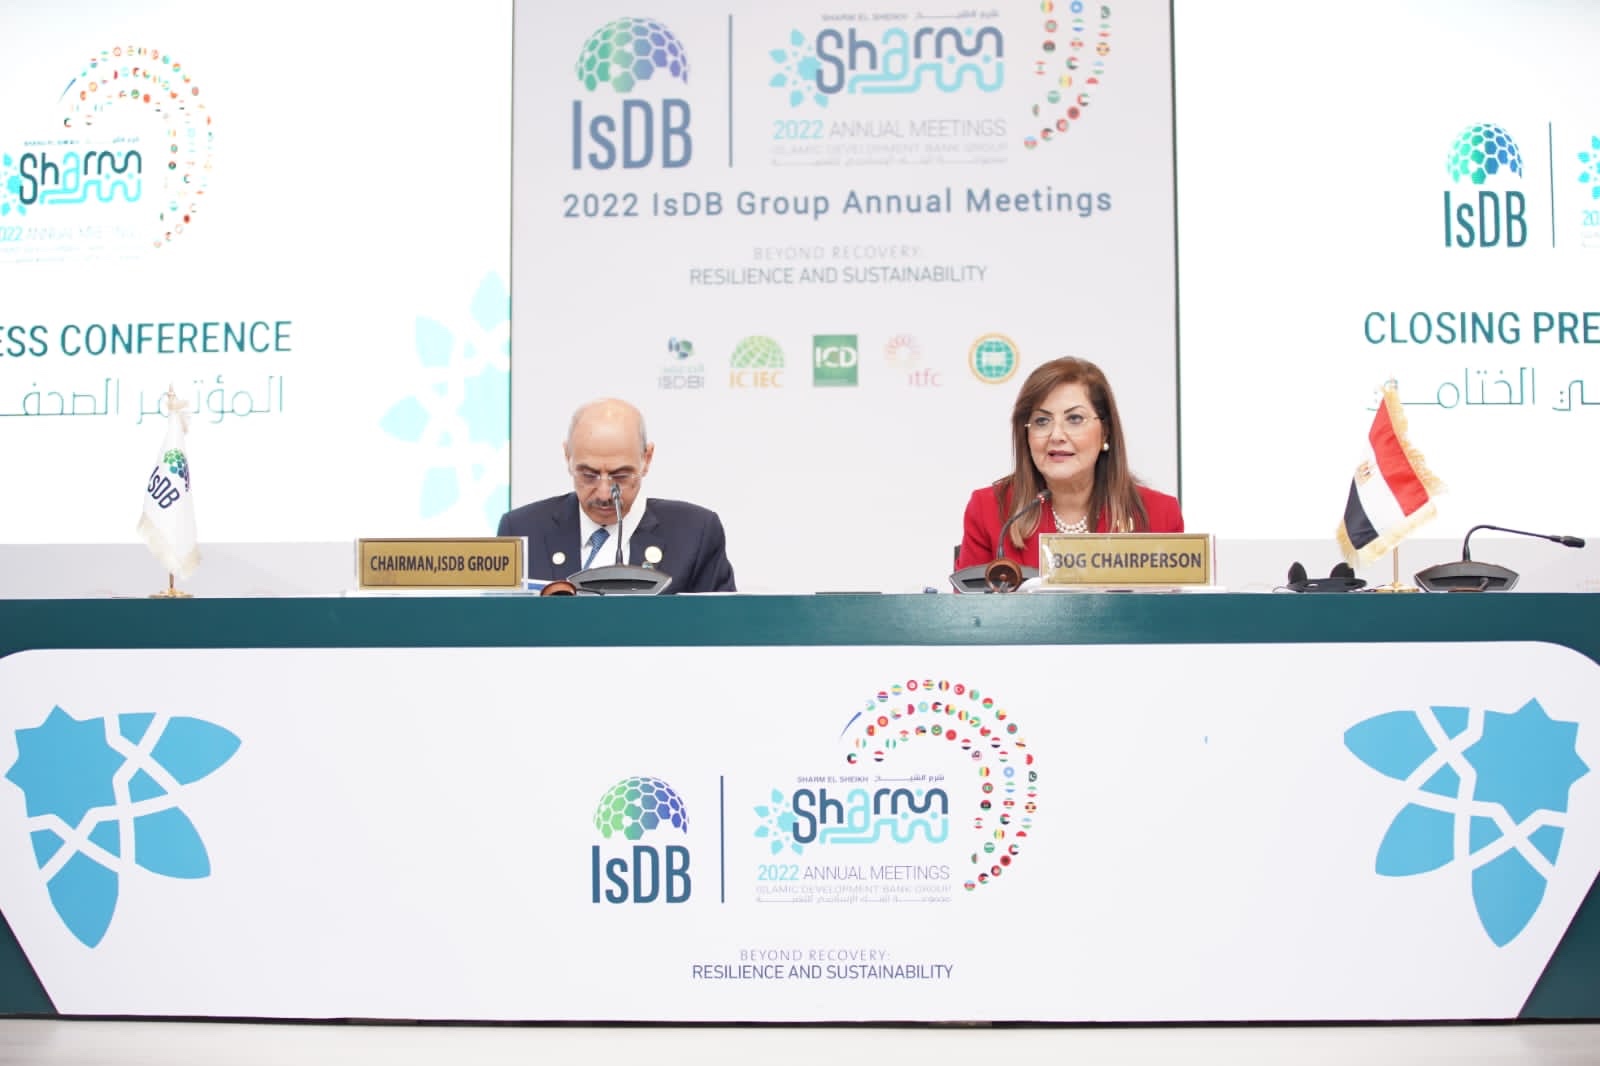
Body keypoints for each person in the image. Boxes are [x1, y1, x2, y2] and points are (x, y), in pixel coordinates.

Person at [955, 357, 1183, 571]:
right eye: (1042, 421)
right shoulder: (989, 510)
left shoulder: (1160, 515)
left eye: (1074, 419)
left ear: (1105, 431)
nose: (1056, 435)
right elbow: (969, 600)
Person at [498, 398, 736, 593]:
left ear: (647, 459)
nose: (604, 494)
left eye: (621, 476)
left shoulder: (695, 533)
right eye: (588, 475)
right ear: (567, 457)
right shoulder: (521, 530)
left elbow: (720, 627)